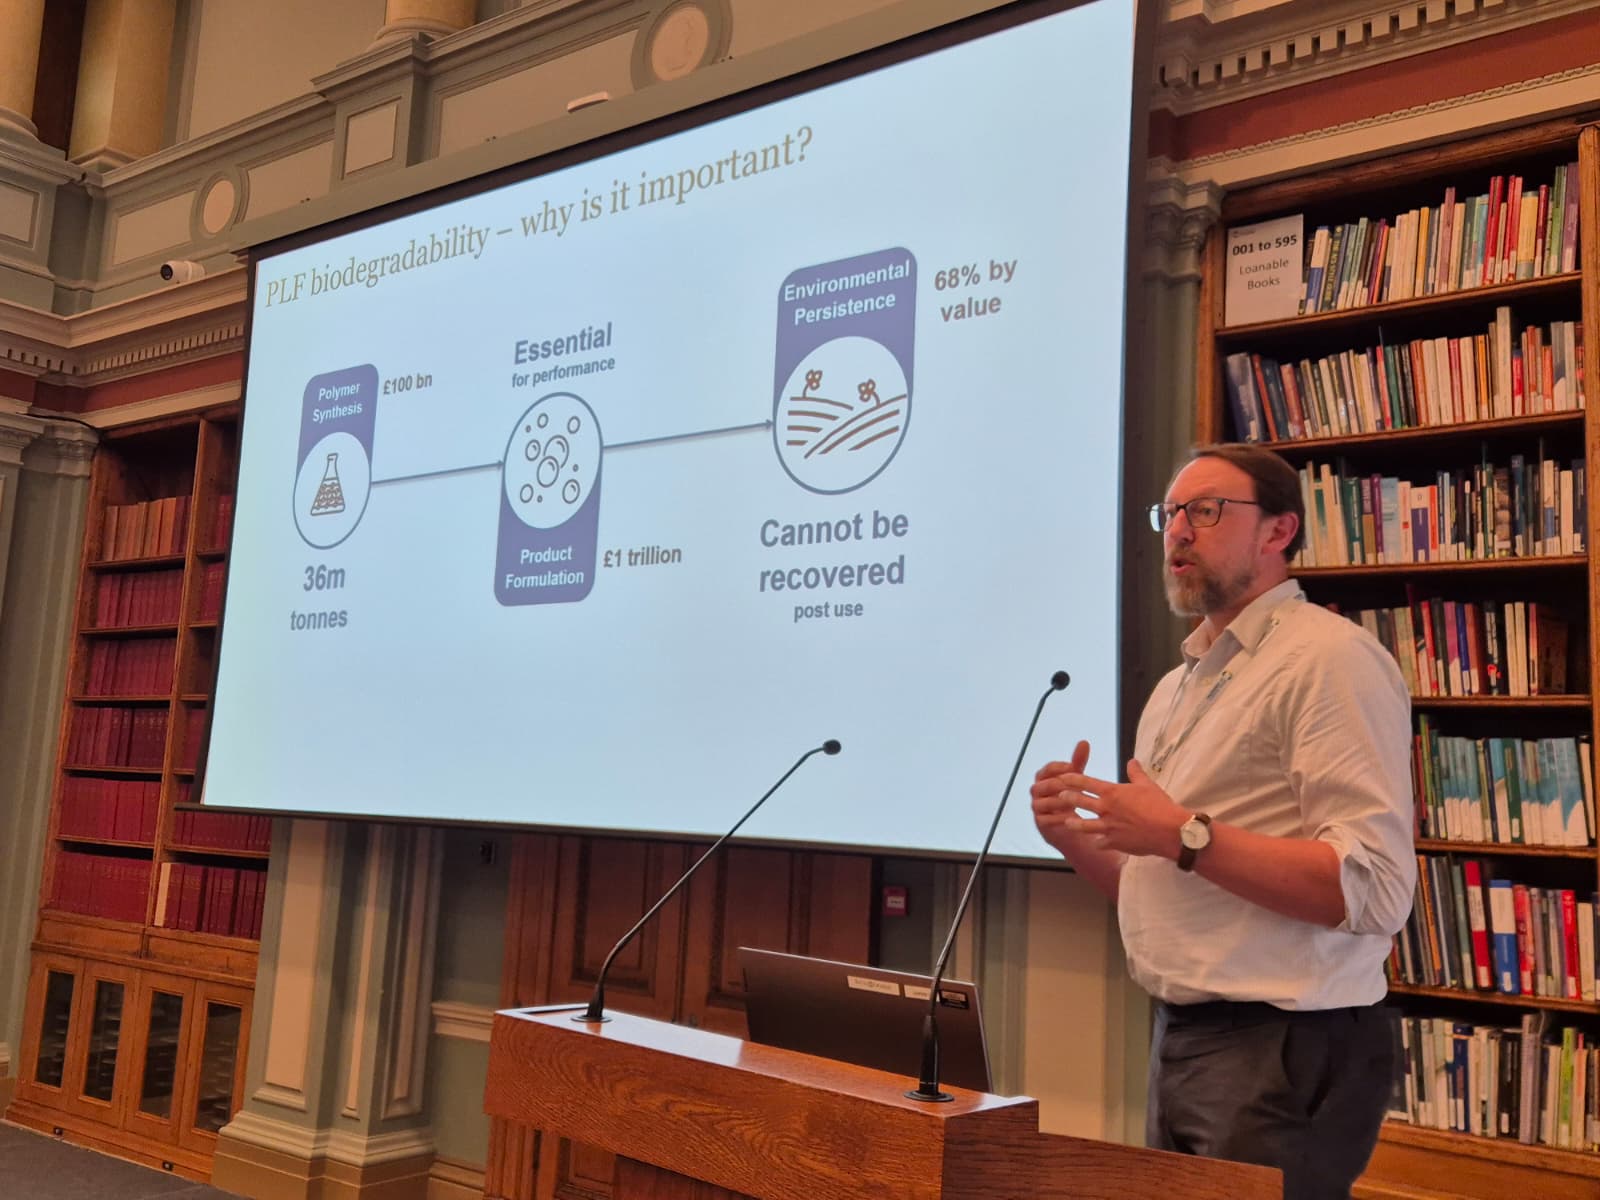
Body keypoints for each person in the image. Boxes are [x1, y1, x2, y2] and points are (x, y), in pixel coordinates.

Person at [1031, 443, 1415, 1200]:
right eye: (1169, 513)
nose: (1178, 531)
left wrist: (1183, 835)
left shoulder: (1328, 661)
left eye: (1205, 511)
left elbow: (1374, 889)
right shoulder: (1177, 686)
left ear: (1277, 532)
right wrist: (1073, 837)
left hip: (1285, 1044)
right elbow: (1164, 887)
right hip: (1182, 1035)